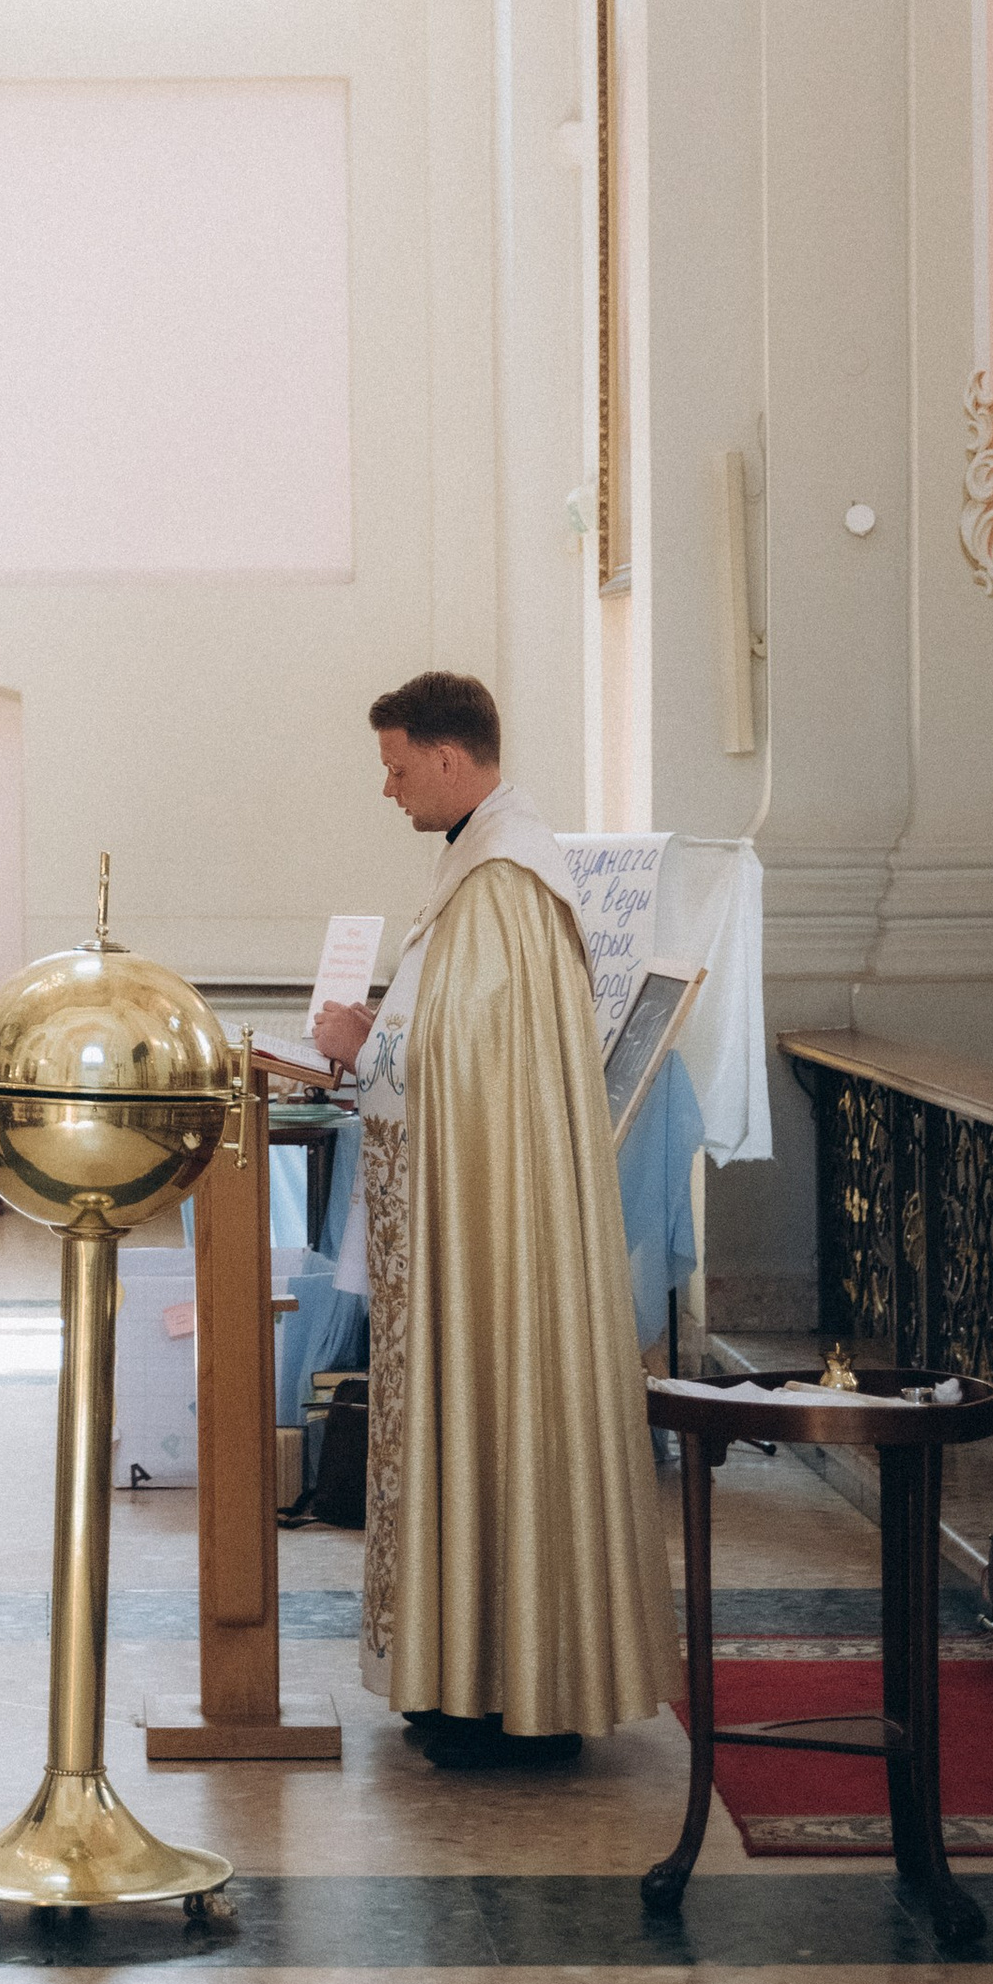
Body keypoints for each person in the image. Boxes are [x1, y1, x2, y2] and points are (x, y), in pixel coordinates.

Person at [310, 670, 677, 1769]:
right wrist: (376, 1030)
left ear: (449, 757)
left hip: (495, 1233)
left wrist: (359, 1044)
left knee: (497, 1403)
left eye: (395, 764)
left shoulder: (507, 879)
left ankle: (509, 1686)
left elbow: (468, 1055)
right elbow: (461, 1032)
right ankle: (462, 1674)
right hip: (475, 1212)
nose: (387, 787)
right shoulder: (478, 865)